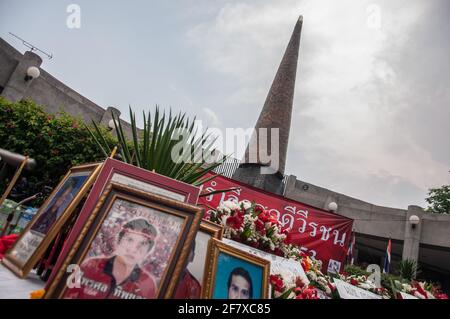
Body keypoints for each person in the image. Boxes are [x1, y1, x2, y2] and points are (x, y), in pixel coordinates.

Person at [65, 218, 158, 299]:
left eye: (142, 244)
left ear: (147, 252)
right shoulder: (90, 265)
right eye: (129, 240)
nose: (133, 249)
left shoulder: (148, 284)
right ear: (118, 241)